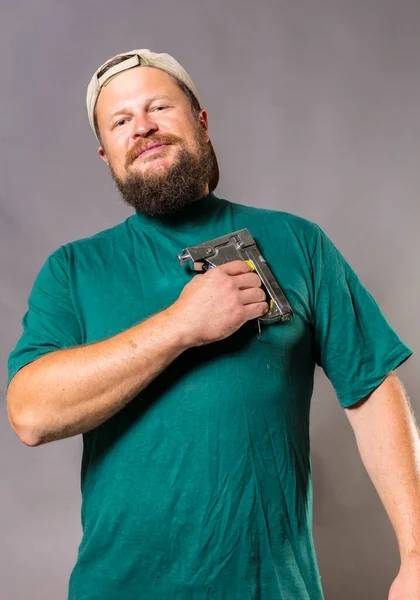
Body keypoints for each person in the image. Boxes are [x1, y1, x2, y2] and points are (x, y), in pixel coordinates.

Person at [6, 49, 420, 600]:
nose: (144, 127)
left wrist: (416, 555)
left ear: (201, 121)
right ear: (106, 155)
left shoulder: (300, 243)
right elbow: (31, 414)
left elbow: (371, 391)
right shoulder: (73, 270)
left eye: (159, 107)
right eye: (121, 121)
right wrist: (181, 324)